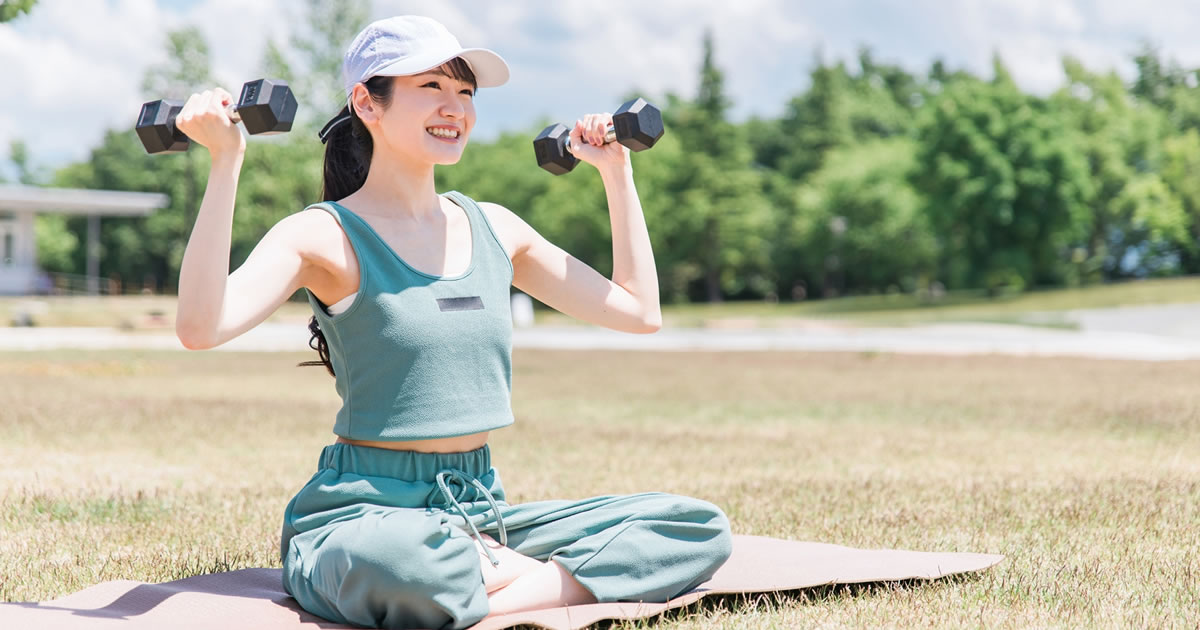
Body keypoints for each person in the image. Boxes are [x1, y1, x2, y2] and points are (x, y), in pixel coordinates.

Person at [173, 15, 732, 630]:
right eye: (432, 88)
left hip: (479, 512)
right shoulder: (323, 234)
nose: (455, 108)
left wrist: (616, 174)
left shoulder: (495, 227)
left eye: (464, 93)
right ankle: (503, 581)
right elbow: (202, 327)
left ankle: (482, 592)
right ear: (368, 103)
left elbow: (639, 311)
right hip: (363, 517)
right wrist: (225, 163)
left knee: (695, 527)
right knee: (412, 568)